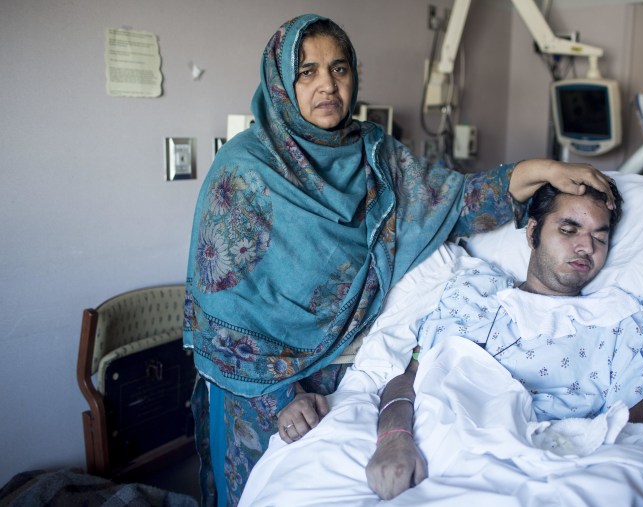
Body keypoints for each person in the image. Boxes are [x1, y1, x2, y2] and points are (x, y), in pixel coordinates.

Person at [183, 13, 615, 506]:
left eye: (339, 68)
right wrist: (283, 398)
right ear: (281, 83)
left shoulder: (374, 154)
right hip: (264, 387)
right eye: (308, 71)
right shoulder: (242, 172)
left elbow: (456, 202)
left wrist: (547, 170)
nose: (328, 84)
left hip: (350, 379)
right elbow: (227, 315)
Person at [365, 180, 643, 500]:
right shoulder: (471, 291)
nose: (586, 247)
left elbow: (638, 433)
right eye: (569, 229)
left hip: (544, 475)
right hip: (434, 458)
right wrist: (394, 438)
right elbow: (410, 376)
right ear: (533, 233)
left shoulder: (616, 322)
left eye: (599, 237)